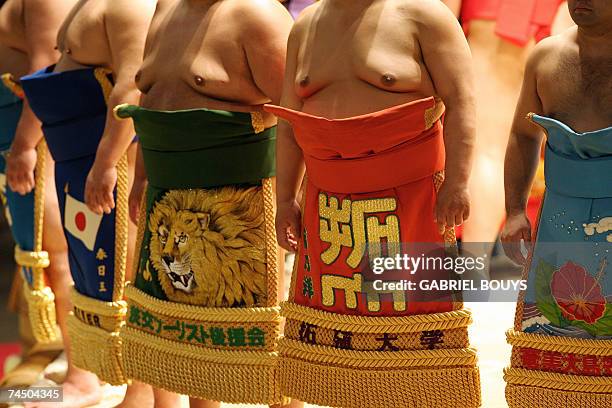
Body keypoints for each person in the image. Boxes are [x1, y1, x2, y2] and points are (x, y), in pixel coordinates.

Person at [264, 0, 480, 406]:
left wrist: (458, 181)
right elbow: (291, 123)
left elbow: (463, 100)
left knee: (412, 321)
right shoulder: (306, 25)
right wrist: (285, 200)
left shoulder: (425, 16)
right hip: (329, 204)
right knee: (338, 333)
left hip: (409, 195)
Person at [114, 1, 298, 407]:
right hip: (165, 193)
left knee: (264, 328)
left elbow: (297, 113)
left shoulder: (257, 15)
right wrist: (142, 177)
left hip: (236, 203)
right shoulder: (166, 7)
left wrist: (291, 197)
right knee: (175, 330)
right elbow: (149, 99)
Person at [7, 0, 156, 406]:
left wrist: (106, 162)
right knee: (80, 267)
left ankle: (122, 388)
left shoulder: (127, 6)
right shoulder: (90, 5)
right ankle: (98, 379)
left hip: (106, 158)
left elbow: (131, 86)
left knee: (125, 277)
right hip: (78, 155)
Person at [501, 0, 612, 405]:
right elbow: (523, 135)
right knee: (551, 347)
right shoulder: (546, 57)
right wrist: (514, 210)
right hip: (559, 220)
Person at [443, 0, 572, 258]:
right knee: (497, 148)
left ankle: (474, 274)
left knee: (487, 150)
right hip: (557, 18)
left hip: (502, 17)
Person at [0, 0, 74, 394]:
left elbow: (46, 73)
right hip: (16, 134)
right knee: (45, 256)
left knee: (57, 254)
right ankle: (69, 359)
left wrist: (26, 145)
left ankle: (83, 371)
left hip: (36, 136)